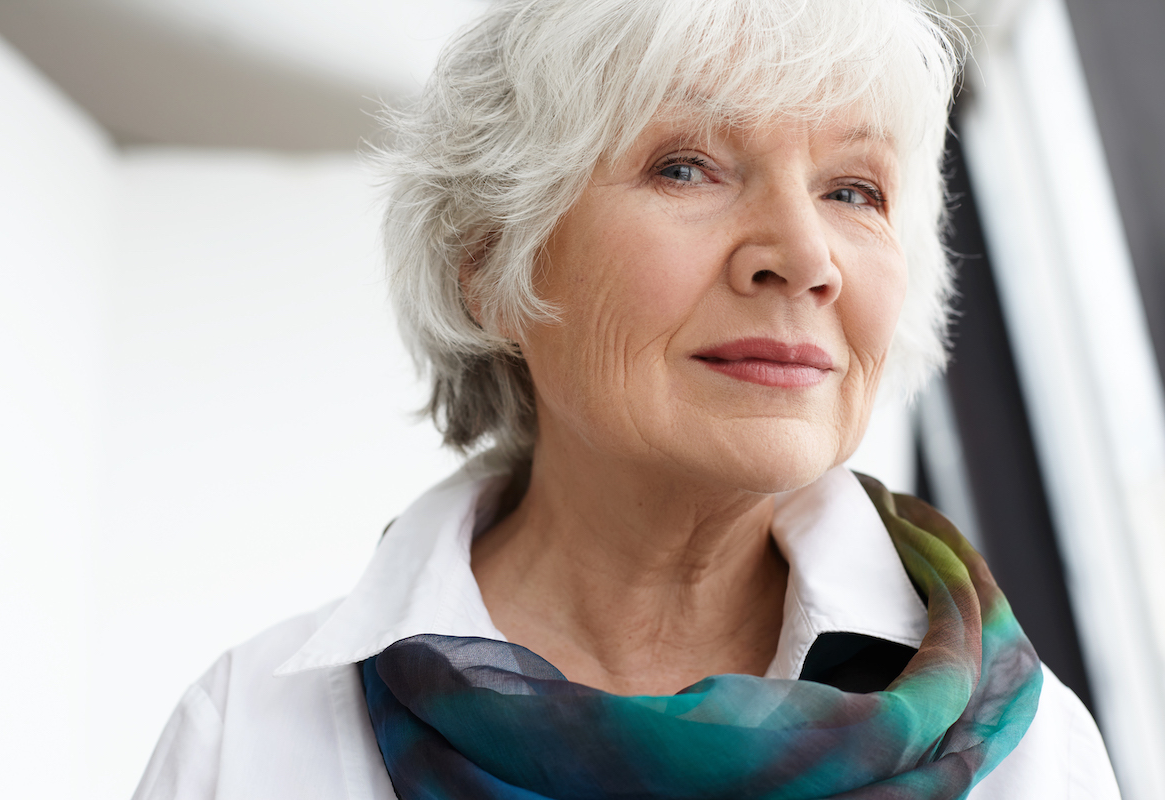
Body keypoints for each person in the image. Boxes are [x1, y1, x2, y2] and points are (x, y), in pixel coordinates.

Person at [133, 0, 1121, 797]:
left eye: (853, 190)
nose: (806, 256)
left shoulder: (1033, 756)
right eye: (686, 165)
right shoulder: (253, 735)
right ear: (493, 263)